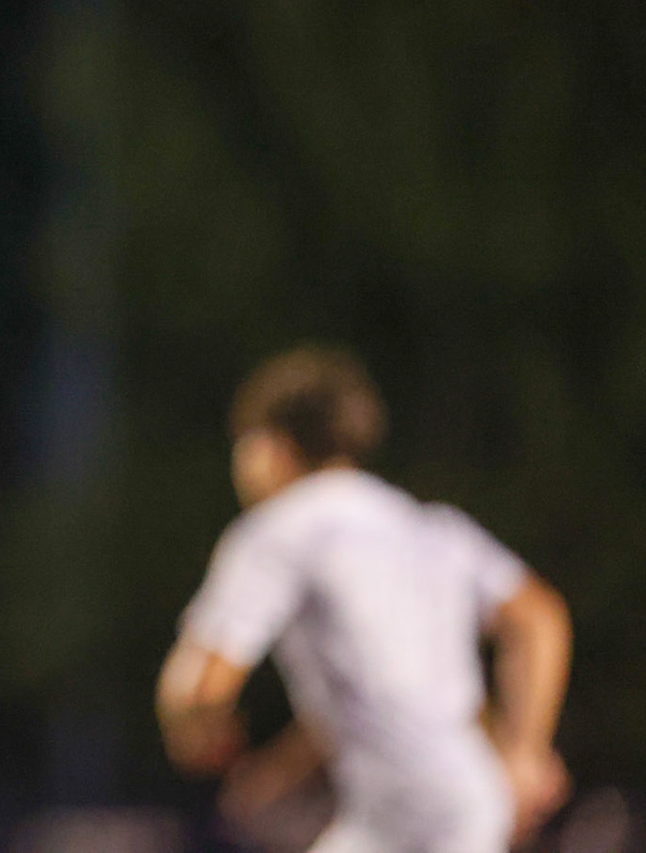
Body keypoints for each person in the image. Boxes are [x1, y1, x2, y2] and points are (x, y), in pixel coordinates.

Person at [157, 346, 574, 853]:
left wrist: (192, 723)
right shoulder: (424, 525)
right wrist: (526, 753)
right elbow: (537, 616)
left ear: (270, 447)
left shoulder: (280, 529)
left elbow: (201, 688)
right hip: (437, 801)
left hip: (420, 816)